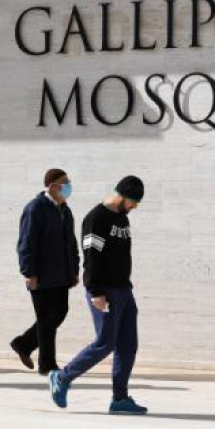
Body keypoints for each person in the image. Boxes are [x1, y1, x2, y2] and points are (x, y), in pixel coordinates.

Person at [48, 176, 147, 415]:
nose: (134, 207)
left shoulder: (122, 218)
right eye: (133, 202)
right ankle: (62, 377)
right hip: (104, 290)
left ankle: (120, 399)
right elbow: (91, 257)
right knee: (105, 343)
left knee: (128, 345)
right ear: (122, 196)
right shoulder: (96, 219)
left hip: (124, 289)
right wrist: (95, 291)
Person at [11, 168, 80, 374]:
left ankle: (23, 344)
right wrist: (28, 273)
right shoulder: (35, 208)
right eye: (64, 182)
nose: (68, 186)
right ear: (51, 185)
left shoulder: (64, 210)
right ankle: (47, 365)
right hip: (40, 276)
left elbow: (71, 243)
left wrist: (73, 270)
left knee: (59, 313)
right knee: (45, 320)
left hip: (61, 275)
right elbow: (26, 243)